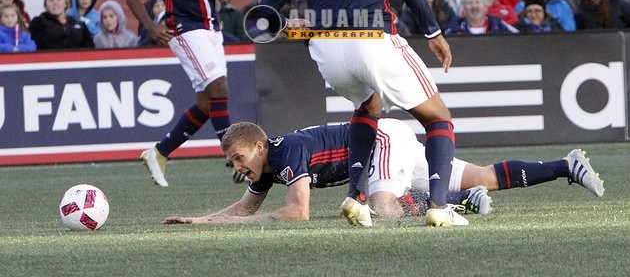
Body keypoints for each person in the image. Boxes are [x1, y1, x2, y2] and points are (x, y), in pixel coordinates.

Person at [258, 0, 465, 228]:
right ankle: (439, 206)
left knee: (367, 108)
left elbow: (264, 14)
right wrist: (432, 30)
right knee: (438, 118)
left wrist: (291, 27)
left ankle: (357, 198)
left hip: (325, 50)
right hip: (370, 38)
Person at [162, 119, 604, 224]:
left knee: (382, 208)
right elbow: (245, 208)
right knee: (485, 177)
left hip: (381, 142)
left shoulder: (287, 151)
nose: (236, 166)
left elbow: (297, 213)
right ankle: (565, 166)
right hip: (388, 144)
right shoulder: (262, 166)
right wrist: (201, 220)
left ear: (258, 147)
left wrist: (234, 224)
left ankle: (452, 202)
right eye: (232, 162)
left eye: (239, 158)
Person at [126, 0, 234, 187]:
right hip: (183, 28)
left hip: (211, 25)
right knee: (219, 87)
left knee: (208, 103)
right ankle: (234, 152)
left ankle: (159, 152)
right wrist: (151, 27)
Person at [29, 0, 95, 49]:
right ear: (45, 5)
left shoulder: (79, 25)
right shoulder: (38, 23)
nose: (55, 3)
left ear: (65, 4)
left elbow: (90, 49)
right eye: (51, 0)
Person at [445, 0, 518, 35]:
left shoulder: (499, 25)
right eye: (469, 3)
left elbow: (518, 39)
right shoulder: (453, 29)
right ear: (464, 9)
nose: (474, 6)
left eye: (477, 2)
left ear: (486, 7)